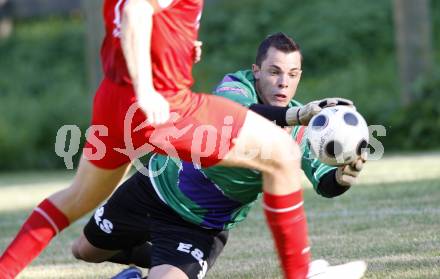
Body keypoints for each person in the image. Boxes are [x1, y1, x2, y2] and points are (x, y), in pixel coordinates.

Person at [71, 33, 367, 279]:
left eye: (292, 74)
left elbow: (324, 184)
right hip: (154, 188)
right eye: (274, 71)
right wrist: (296, 114)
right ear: (256, 71)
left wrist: (342, 177)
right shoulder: (236, 86)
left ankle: (167, 270)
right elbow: (238, 116)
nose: (283, 82)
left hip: (199, 226)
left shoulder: (305, 131)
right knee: (84, 250)